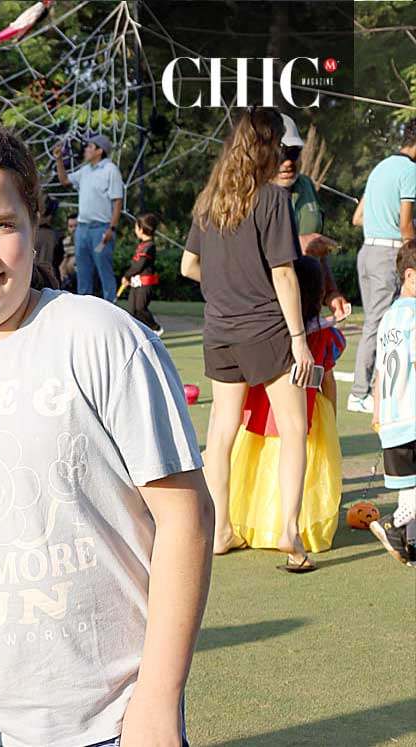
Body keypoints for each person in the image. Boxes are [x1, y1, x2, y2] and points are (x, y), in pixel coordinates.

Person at [0, 121, 212, 747]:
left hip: (112, 721)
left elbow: (187, 517)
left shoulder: (99, 336)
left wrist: (157, 701)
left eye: (1, 225)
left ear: (35, 223)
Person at [179, 107, 317, 572]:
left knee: (221, 432)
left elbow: (188, 266)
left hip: (219, 330)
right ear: (270, 146)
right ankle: (289, 531)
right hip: (267, 329)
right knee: (294, 428)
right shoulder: (273, 199)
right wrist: (299, 339)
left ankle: (219, 530)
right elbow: (284, 273)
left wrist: (226, 286)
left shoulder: (210, 200)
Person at [227, 255, 344, 553]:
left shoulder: (267, 332)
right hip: (309, 410)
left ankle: (259, 526)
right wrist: (331, 413)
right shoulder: (324, 334)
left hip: (263, 410)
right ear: (319, 294)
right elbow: (327, 380)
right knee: (307, 469)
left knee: (261, 468)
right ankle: (299, 528)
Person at [346, 123, 416, 414]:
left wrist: (383, 218)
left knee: (375, 323)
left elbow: (358, 218)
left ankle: (374, 388)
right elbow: (405, 226)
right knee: (378, 324)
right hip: (388, 255)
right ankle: (360, 393)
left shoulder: (380, 168)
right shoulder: (410, 171)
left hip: (368, 252)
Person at [275, 113, 351, 321]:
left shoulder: (307, 185)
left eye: (293, 153)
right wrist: (299, 244)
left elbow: (319, 251)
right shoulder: (251, 192)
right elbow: (245, 254)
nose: (288, 162)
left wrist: (331, 292)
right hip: (271, 310)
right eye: (280, 154)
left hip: (309, 309)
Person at [369, 240, 416, 564]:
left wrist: (377, 413)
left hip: (392, 417)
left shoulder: (388, 318)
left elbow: (380, 372)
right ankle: (393, 524)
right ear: (410, 275)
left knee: (410, 487)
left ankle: (409, 543)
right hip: (411, 414)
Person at [54, 133, 124, 301]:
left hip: (101, 229)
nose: (86, 149)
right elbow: (64, 180)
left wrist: (112, 228)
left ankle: (110, 307)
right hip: (82, 229)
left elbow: (117, 201)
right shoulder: (85, 170)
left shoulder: (110, 170)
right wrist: (59, 159)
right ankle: (85, 308)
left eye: (90, 147)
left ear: (99, 151)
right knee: (83, 272)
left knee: (104, 270)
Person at [119, 212, 163, 334]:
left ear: (141, 229)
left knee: (140, 308)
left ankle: (155, 328)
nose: (135, 230)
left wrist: (127, 276)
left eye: (136, 227)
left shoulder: (150, 246)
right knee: (132, 310)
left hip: (145, 283)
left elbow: (140, 265)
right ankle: (138, 333)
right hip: (136, 282)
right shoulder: (142, 245)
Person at [32, 193, 64, 286]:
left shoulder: (27, 234)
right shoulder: (55, 236)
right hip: (50, 281)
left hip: (31, 280)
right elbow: (59, 259)